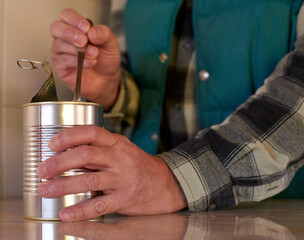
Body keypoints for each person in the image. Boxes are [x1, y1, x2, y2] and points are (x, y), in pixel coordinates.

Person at [37, 0, 304, 222]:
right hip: (147, 219)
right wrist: (113, 91)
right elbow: (144, 86)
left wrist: (172, 179)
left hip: (277, 217)